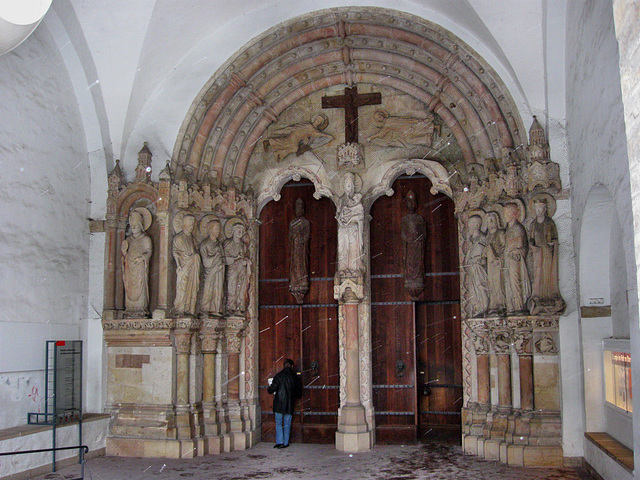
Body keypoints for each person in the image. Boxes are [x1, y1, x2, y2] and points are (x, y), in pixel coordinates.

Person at [267, 359, 302, 449]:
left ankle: (279, 442)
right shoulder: (295, 377)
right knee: (287, 423)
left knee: (278, 423)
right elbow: (299, 393)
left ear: (284, 366)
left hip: (279, 403)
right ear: (292, 366)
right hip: (289, 404)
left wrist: (269, 387)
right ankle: (285, 443)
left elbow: (271, 390)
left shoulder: (278, 376)